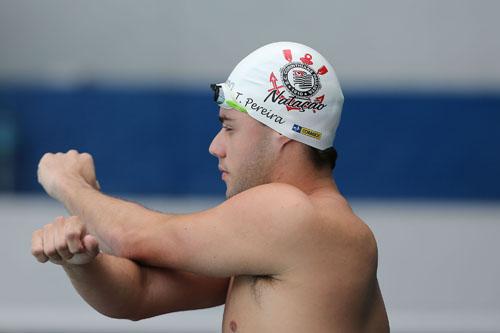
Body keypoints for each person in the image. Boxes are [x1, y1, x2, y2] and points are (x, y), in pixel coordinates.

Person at [31, 42, 389, 332]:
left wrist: (68, 183)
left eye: (229, 126)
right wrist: (82, 261)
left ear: (281, 134)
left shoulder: (295, 214)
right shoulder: (282, 236)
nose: (215, 146)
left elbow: (132, 236)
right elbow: (138, 296)